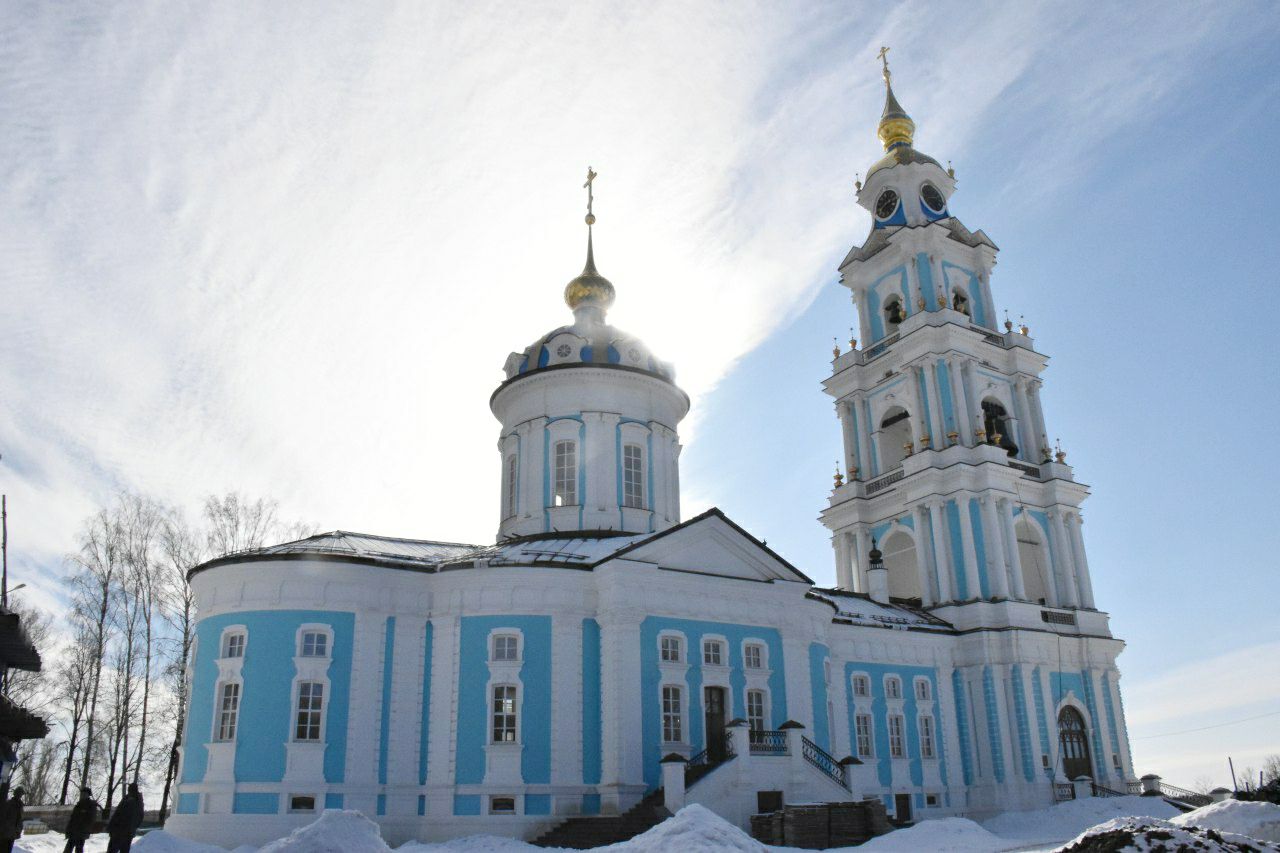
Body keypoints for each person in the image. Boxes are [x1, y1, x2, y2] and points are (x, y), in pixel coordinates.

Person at [106, 782, 144, 853]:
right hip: (128, 832)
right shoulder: (138, 801)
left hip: (119, 832)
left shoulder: (129, 800)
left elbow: (118, 814)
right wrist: (133, 828)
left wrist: (111, 827)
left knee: (112, 850)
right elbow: (140, 817)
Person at [63, 787, 100, 853]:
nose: (82, 795)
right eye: (82, 793)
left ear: (88, 795)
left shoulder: (91, 805)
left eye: (84, 794)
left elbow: (91, 819)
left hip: (81, 833)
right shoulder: (79, 804)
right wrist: (68, 829)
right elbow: (72, 818)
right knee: (68, 849)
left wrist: (84, 830)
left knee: (79, 849)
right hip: (73, 831)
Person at [0, 786, 24, 853]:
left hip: (13, 833)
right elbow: (3, 818)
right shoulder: (8, 804)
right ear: (15, 793)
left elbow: (20, 820)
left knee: (8, 850)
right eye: (19, 793)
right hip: (5, 833)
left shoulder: (20, 805)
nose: (20, 795)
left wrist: (19, 830)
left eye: (21, 794)